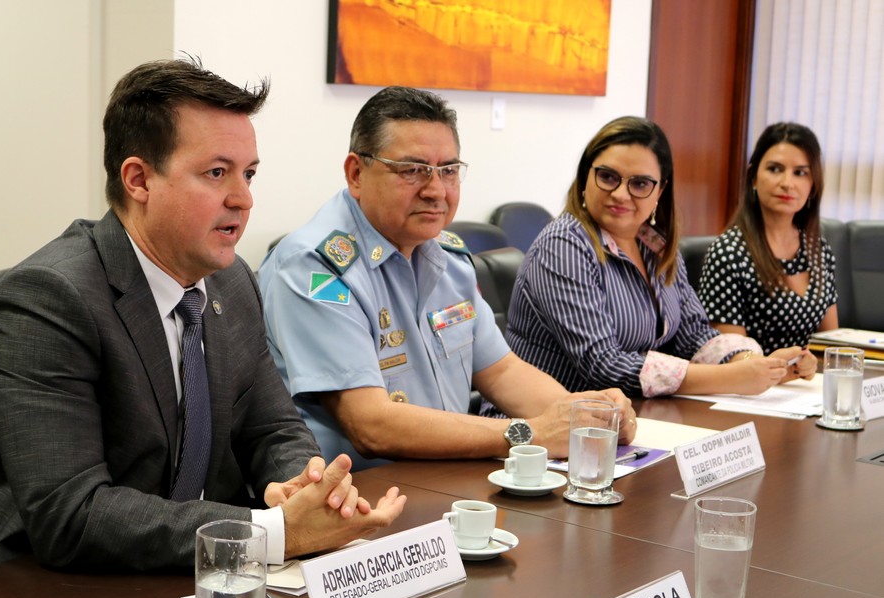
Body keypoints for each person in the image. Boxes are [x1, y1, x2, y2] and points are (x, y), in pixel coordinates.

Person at [0, 58, 405, 573]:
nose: (243, 199)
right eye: (216, 173)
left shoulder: (232, 282)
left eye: (249, 174)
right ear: (139, 180)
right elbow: (71, 514)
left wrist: (306, 488)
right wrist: (272, 532)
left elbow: (273, 428)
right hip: (42, 588)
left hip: (188, 570)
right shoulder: (46, 300)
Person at [257, 86, 636, 471]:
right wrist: (531, 434)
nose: (436, 190)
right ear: (356, 173)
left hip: (446, 478)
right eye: (412, 170)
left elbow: (502, 371)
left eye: (449, 171)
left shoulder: (448, 257)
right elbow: (371, 425)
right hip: (357, 494)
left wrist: (586, 417)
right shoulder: (314, 267)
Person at [502, 116, 815, 399]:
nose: (621, 194)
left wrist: (754, 364)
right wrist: (730, 378)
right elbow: (603, 364)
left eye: (640, 184)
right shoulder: (564, 245)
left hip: (629, 417)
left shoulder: (654, 244)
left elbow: (693, 335)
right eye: (608, 177)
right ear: (586, 176)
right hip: (544, 426)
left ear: (660, 191)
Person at [699, 122, 838, 354]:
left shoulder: (818, 249)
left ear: (813, 185)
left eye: (800, 173)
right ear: (753, 177)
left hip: (809, 376)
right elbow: (730, 357)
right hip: (751, 375)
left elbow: (832, 346)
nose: (787, 183)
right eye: (775, 169)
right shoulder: (728, 253)